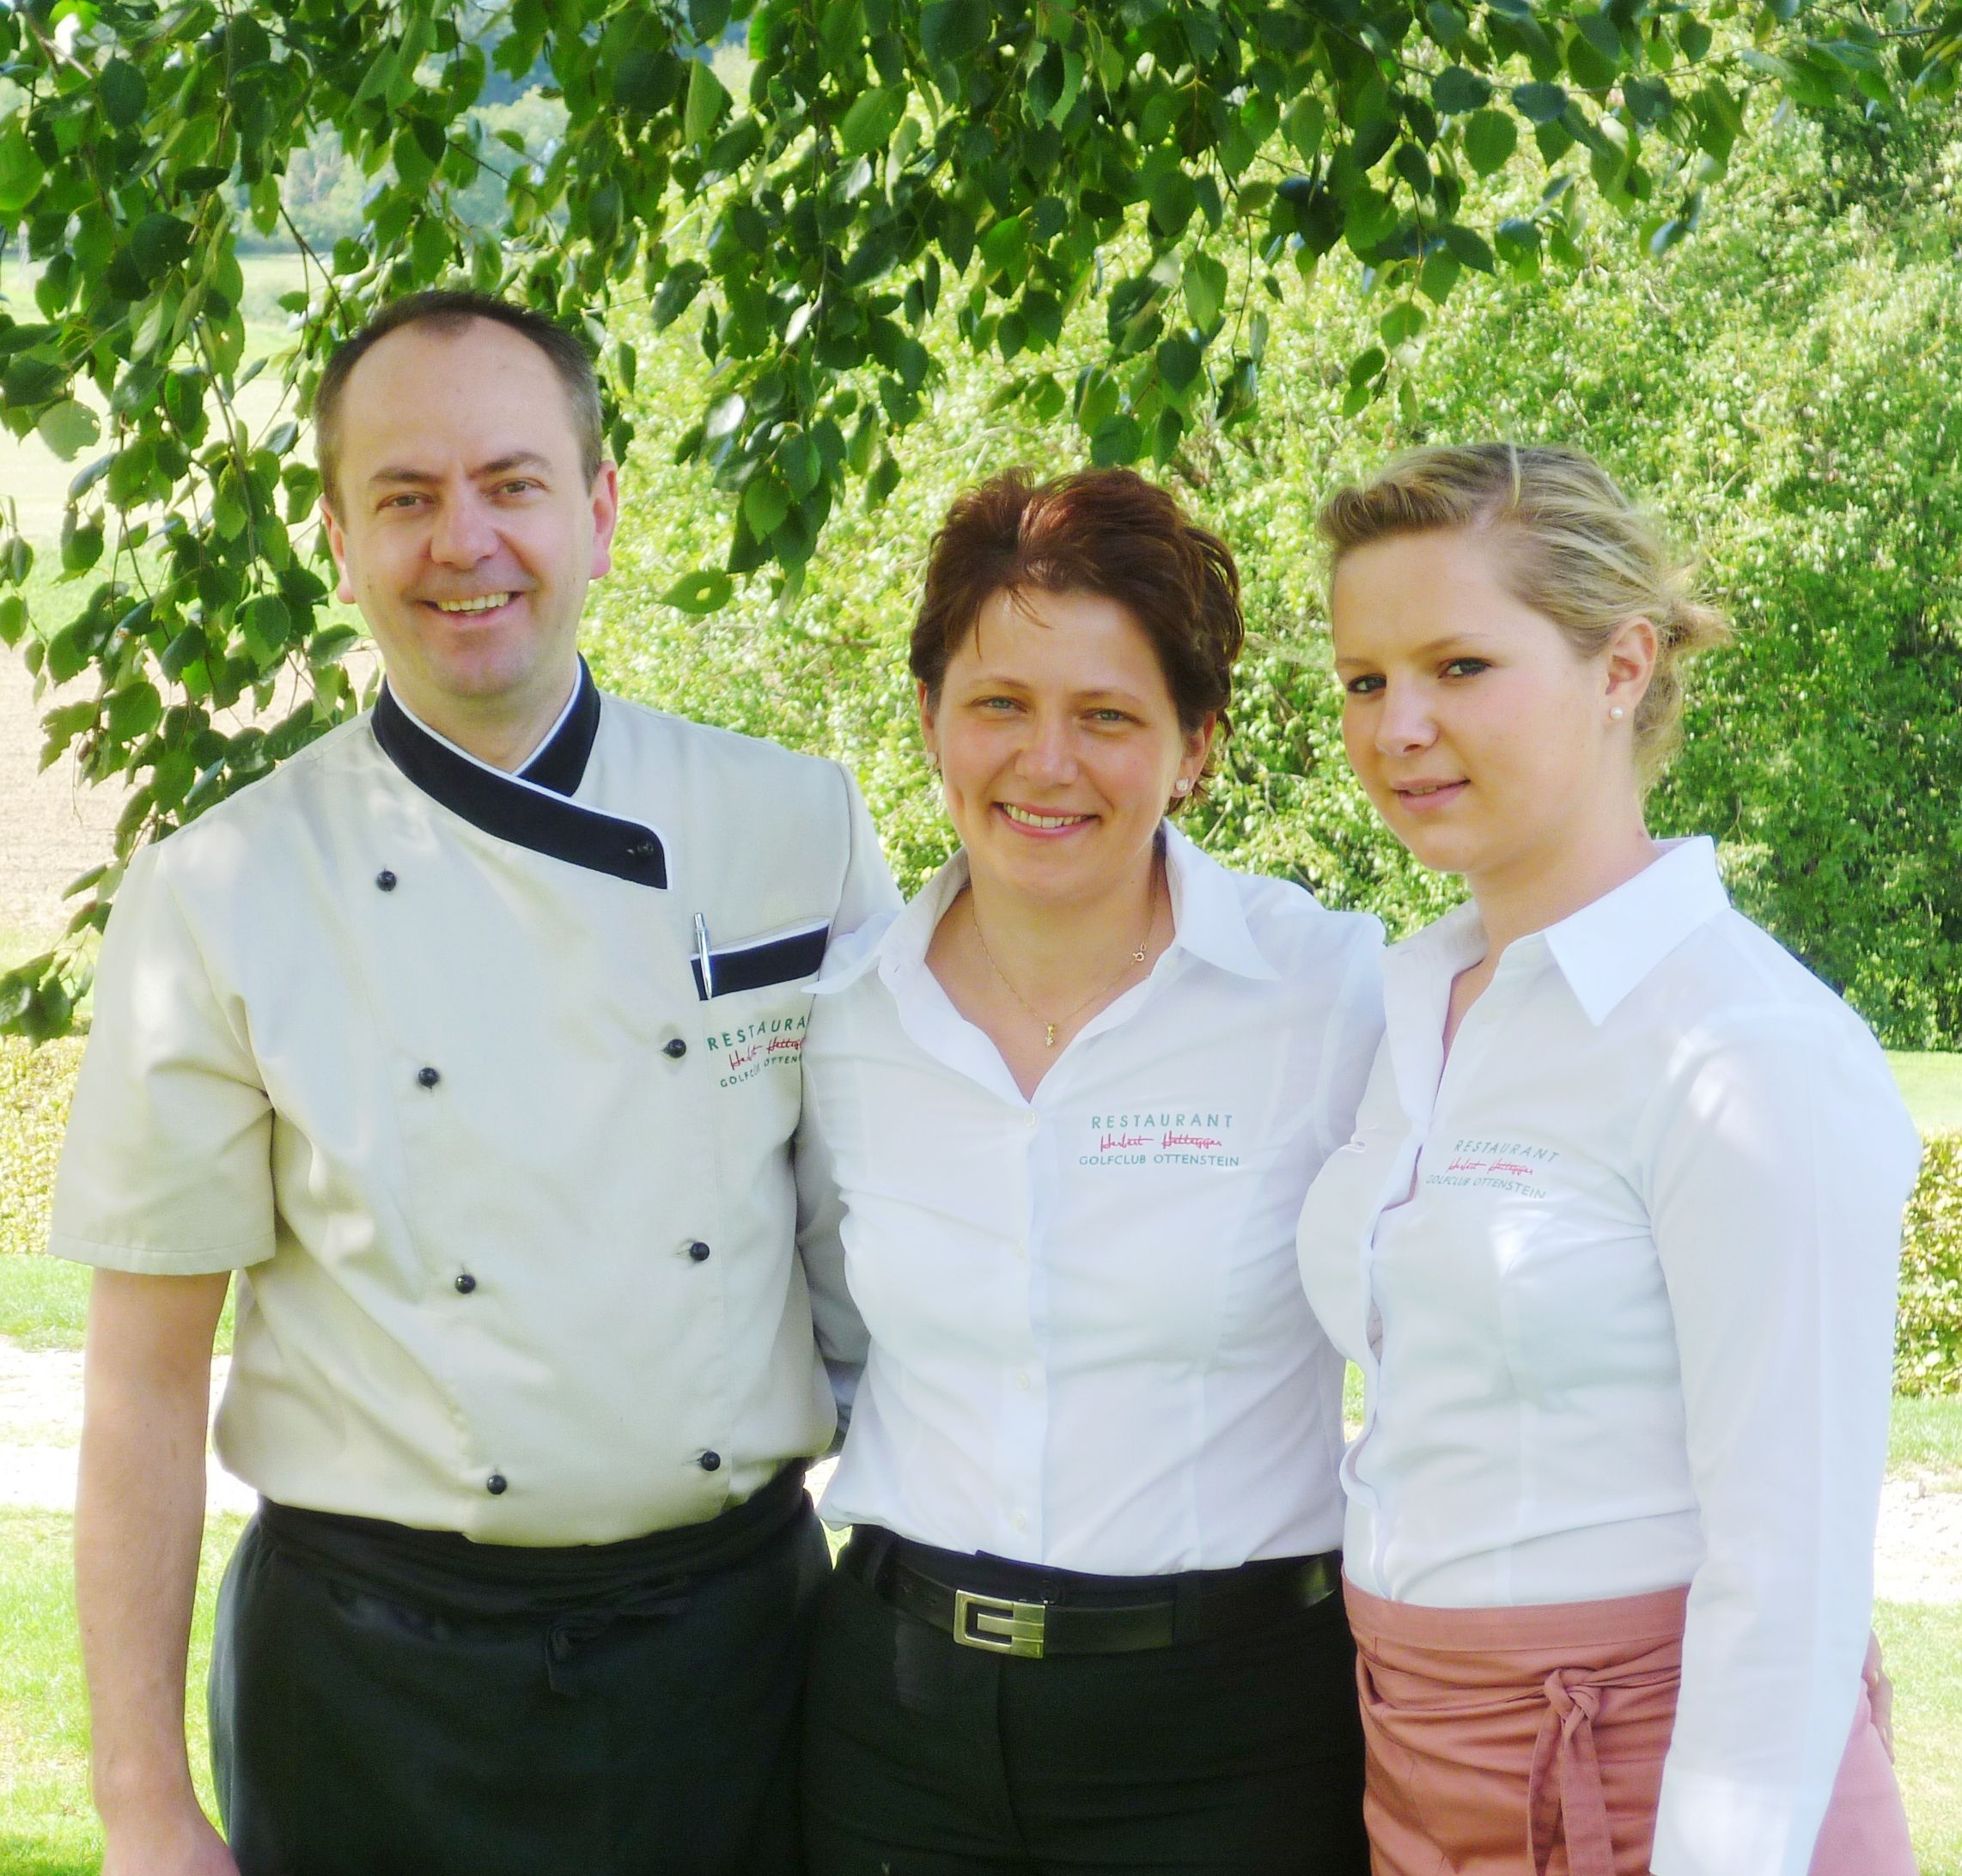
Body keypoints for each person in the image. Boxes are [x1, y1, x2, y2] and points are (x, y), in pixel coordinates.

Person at [52, 290, 895, 1876]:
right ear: (340, 535)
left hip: (743, 1655)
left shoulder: (793, 825)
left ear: (600, 508)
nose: (466, 542)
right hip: (371, 1680)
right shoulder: (222, 887)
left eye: (511, 484)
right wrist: (142, 1806)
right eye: (407, 496)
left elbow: (896, 1245)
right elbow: (145, 1386)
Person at [1295, 442, 1917, 1876]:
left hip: (1655, 1782)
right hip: (1419, 1766)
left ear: (1623, 666)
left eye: (1460, 666)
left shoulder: (1743, 1048)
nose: (1400, 726)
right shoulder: (1413, 1005)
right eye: (1365, 679)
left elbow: (1790, 1573)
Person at [795, 466, 1382, 1873]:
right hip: (895, 1717)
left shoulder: (1335, 999)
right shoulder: (843, 1019)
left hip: (1228, 1733)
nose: (1047, 763)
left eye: (1109, 717)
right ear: (932, 718)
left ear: (1196, 745)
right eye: (1000, 705)